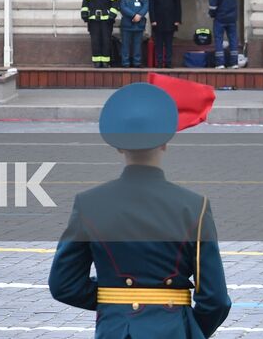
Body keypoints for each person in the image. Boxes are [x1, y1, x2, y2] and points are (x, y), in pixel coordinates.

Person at [50, 82, 231, 338]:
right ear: (166, 141)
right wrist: (185, 327)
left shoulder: (89, 203)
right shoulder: (194, 206)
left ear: (118, 146)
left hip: (116, 330)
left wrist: (117, 304)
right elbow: (216, 299)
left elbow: (64, 285)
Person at [81, 0, 120, 68]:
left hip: (106, 20)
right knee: (95, 40)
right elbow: (85, 2)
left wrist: (112, 16)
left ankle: (105, 61)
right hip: (93, 19)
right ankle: (97, 62)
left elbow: (115, 3)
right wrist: (84, 14)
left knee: (106, 40)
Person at [208, 0, 242, 68]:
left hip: (220, 17)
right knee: (233, 39)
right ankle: (234, 63)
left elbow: (212, 4)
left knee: (219, 39)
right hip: (232, 17)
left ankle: (220, 63)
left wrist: (212, 14)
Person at [150, 0, 183, 68]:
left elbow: (178, 5)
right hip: (158, 21)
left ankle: (168, 62)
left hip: (171, 21)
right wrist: (153, 20)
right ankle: (159, 62)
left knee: (169, 43)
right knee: (159, 43)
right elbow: (151, 6)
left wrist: (177, 20)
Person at [120, 0, 149, 68]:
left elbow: (146, 6)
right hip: (127, 23)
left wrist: (139, 15)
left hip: (139, 23)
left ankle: (137, 62)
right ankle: (125, 62)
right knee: (126, 44)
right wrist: (134, 15)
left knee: (137, 44)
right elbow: (123, 7)